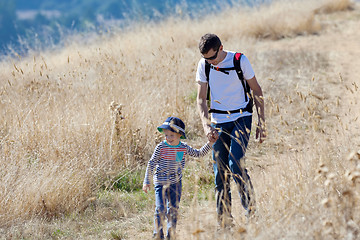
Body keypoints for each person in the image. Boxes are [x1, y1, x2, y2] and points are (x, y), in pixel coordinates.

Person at [196, 33, 266, 227]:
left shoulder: (239, 60)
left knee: (235, 164)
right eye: (205, 58)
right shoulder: (204, 65)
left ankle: (251, 214)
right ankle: (225, 222)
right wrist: (206, 124)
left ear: (221, 48)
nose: (210, 61)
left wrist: (262, 122)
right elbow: (201, 99)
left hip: (241, 117)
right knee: (220, 172)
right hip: (218, 121)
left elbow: (257, 90)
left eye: (212, 57)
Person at [143, 116, 217, 239]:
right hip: (160, 182)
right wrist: (147, 181)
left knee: (173, 209)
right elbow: (151, 163)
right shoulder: (161, 147)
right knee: (160, 208)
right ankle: (158, 234)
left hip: (175, 183)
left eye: (172, 135)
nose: (168, 138)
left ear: (179, 135)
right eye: (166, 135)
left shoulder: (183, 148)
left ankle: (171, 234)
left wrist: (210, 143)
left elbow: (198, 153)